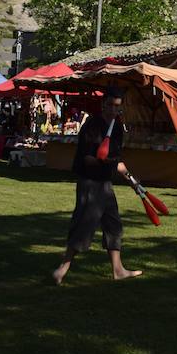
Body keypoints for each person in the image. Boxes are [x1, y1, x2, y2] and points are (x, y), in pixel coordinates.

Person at [52, 88, 142, 283]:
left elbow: (117, 161)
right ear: (103, 105)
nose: (113, 109)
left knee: (113, 224)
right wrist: (106, 162)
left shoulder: (117, 128)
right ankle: (62, 269)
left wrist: (133, 182)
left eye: (117, 106)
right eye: (109, 105)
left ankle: (118, 270)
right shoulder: (92, 126)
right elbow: (87, 160)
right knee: (84, 225)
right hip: (90, 183)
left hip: (104, 183)